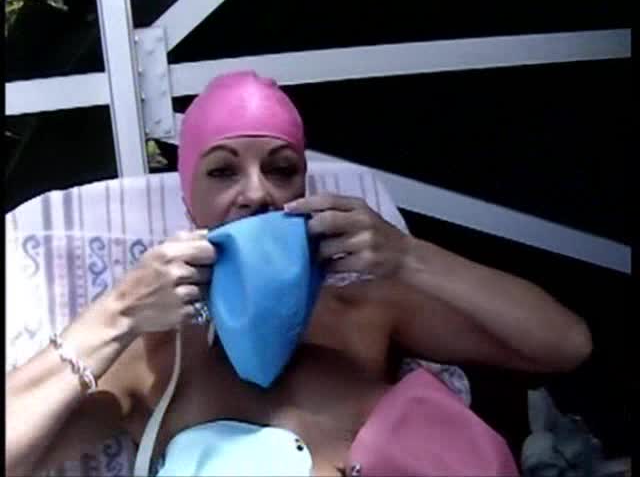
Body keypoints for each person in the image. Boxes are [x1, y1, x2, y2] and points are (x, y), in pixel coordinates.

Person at [5, 71, 593, 476]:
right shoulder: (154, 359)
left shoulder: (364, 307)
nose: (257, 193)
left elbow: (565, 345)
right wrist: (116, 314)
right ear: (188, 202)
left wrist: (411, 257)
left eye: (281, 169)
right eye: (223, 172)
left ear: (303, 188)